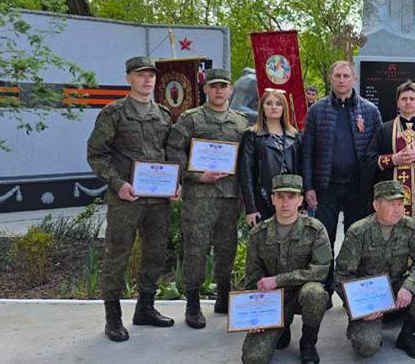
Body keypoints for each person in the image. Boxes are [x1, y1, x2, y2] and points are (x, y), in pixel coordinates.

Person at [87, 56, 180, 342]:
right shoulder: (114, 113)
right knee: (118, 254)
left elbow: (170, 152)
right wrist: (118, 184)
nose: (147, 79)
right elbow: (96, 154)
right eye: (140, 74)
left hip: (158, 199)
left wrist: (175, 184)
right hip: (126, 198)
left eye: (151, 74)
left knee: (155, 253)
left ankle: (145, 308)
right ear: (129, 78)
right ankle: (113, 317)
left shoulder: (163, 114)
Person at [166, 67, 249, 328]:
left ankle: (223, 297)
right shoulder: (191, 119)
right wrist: (197, 175)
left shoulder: (240, 122)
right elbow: (174, 150)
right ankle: (193, 303)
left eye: (223, 86)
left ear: (230, 90)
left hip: (230, 196)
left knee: (227, 247)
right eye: (213, 86)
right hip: (199, 196)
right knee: (196, 248)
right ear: (205, 89)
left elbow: (247, 159)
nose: (218, 91)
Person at [362, 80, 415, 314]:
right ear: (397, 103)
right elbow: (369, 160)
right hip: (394, 209)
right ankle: (390, 305)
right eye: (404, 99)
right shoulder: (385, 130)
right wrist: (393, 159)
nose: (408, 102)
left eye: (412, 98)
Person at [302, 60, 381, 297]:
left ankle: (353, 292)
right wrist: (308, 187)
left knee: (355, 239)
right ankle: (323, 290)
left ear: (354, 78)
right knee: (323, 239)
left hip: (358, 188)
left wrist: (375, 187)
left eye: (346, 75)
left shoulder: (370, 111)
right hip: (326, 187)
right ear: (330, 78)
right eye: (337, 75)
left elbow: (377, 150)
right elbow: (307, 151)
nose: (342, 80)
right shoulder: (317, 110)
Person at [334, 180, 415, 359]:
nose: (398, 210)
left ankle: (407, 335)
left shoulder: (409, 226)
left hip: (396, 288)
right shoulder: (358, 232)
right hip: (368, 297)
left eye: (400, 204)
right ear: (376, 205)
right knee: (367, 347)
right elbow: (341, 276)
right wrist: (359, 307)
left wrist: (409, 286)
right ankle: (365, 325)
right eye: (391, 204)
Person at [241, 174, 331, 364]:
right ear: (272, 199)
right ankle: (282, 328)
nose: (285, 202)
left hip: (302, 294)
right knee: (253, 359)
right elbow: (253, 277)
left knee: (316, 294)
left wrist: (278, 280)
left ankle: (308, 343)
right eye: (280, 196)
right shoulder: (258, 234)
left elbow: (320, 270)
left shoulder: (315, 230)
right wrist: (253, 315)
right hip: (272, 300)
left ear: (300, 200)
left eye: (291, 196)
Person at [239, 89, 302, 226]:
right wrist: (251, 208)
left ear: (284, 108)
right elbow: (245, 174)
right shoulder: (252, 135)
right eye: (269, 103)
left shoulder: (295, 136)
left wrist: (302, 205)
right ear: (262, 107)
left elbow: (301, 170)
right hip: (262, 200)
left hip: (290, 199)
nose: (274, 107)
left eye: (278, 104)